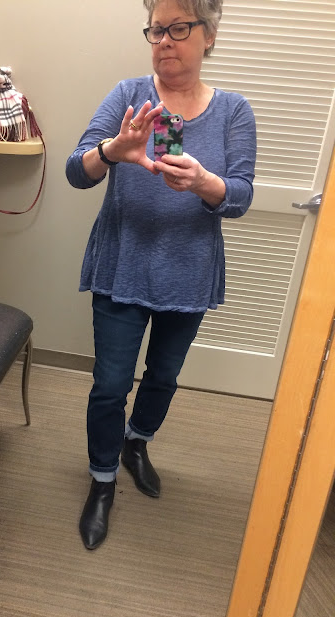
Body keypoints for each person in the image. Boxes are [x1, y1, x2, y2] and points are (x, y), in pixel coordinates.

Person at [66, 0, 256, 551]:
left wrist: (203, 182)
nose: (164, 40)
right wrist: (112, 151)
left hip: (188, 273)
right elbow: (78, 170)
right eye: (156, 29)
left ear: (209, 34)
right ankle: (102, 480)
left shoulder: (234, 110)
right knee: (109, 384)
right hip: (122, 264)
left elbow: (241, 195)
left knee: (164, 377)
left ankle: (136, 443)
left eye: (178, 27)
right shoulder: (128, 95)